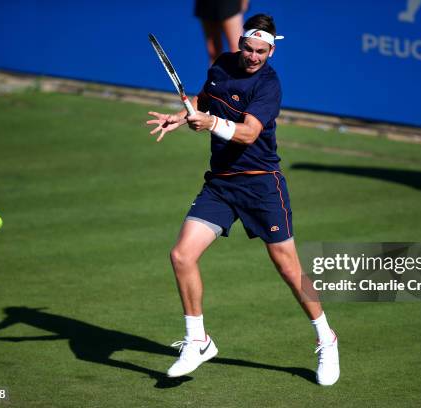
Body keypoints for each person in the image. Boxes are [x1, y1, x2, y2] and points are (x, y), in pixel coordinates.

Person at [146, 14, 340, 386]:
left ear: (272, 51)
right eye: (248, 49)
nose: (253, 57)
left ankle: (326, 338)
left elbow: (249, 133)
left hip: (261, 185)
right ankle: (198, 340)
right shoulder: (222, 63)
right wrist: (180, 115)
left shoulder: (269, 85)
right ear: (240, 45)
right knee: (181, 255)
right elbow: (206, 97)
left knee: (288, 269)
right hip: (221, 184)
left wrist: (212, 124)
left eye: (261, 51)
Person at [195, 0, 249, 65]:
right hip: (206, 3)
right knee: (214, 52)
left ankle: (239, 74)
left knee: (237, 50)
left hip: (227, 3)